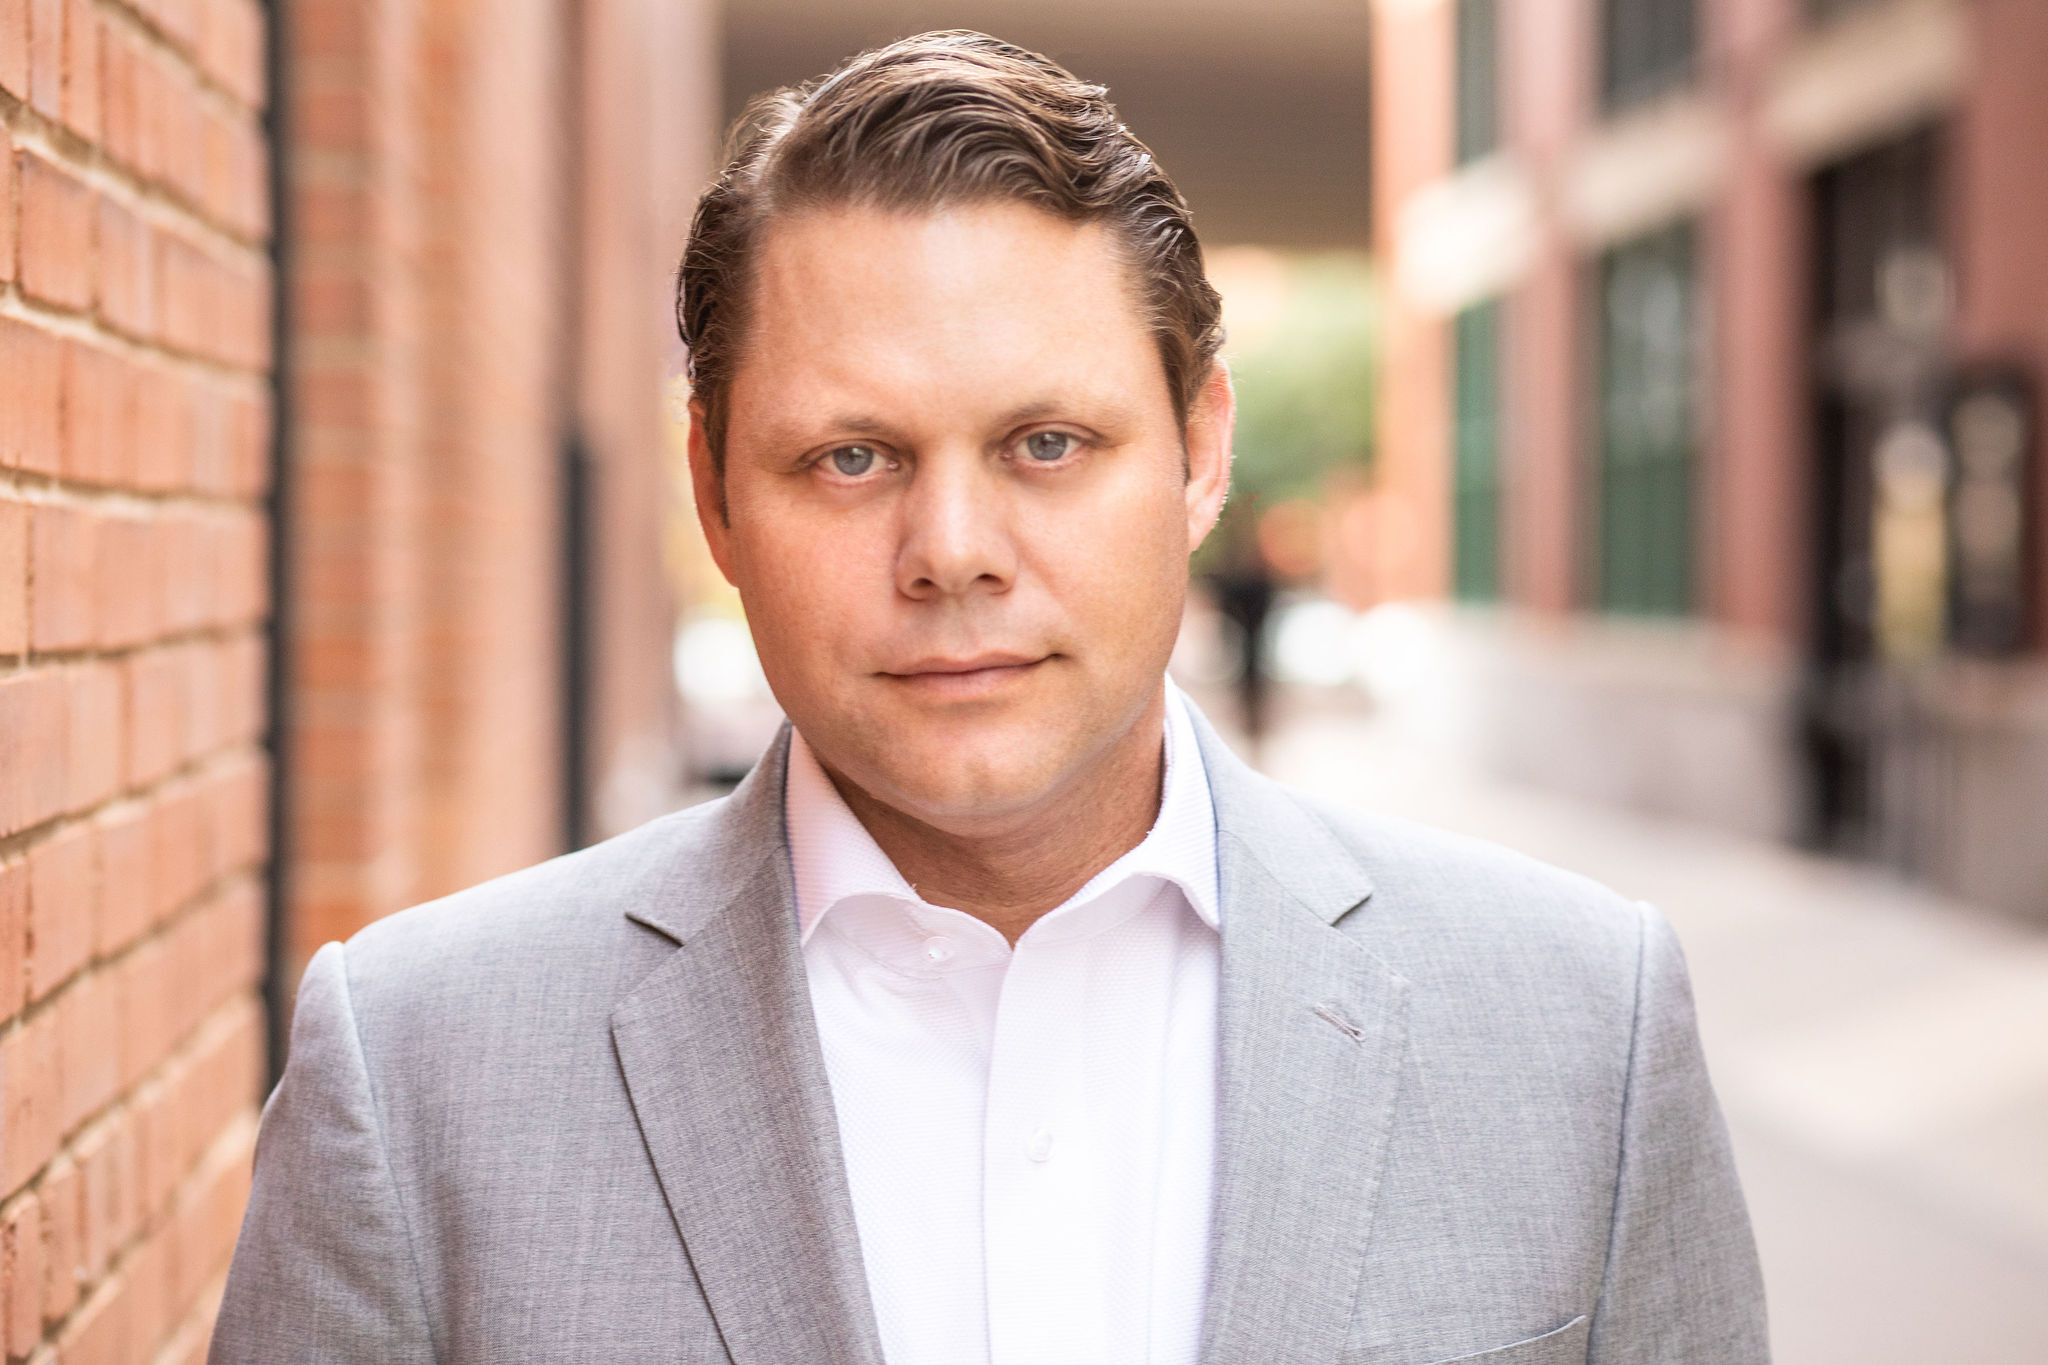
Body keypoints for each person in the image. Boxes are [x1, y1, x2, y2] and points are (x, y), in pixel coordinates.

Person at [210, 31, 1767, 1365]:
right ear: (714, 492)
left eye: (1045, 444)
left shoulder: (1585, 1033)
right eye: (851, 457)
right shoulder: (412, 1080)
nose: (950, 552)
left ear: (1202, 450)